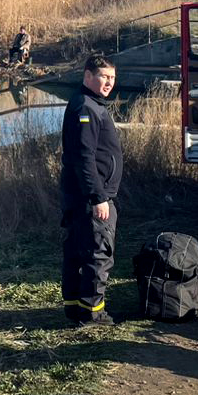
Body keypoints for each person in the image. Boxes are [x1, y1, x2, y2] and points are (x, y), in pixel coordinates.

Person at [59, 55, 122, 326]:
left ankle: (75, 307)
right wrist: (98, 197)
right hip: (91, 197)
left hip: (79, 194)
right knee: (98, 253)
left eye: (112, 78)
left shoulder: (89, 104)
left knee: (76, 251)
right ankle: (93, 313)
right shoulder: (86, 107)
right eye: (103, 77)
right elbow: (84, 157)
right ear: (87, 76)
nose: (108, 82)